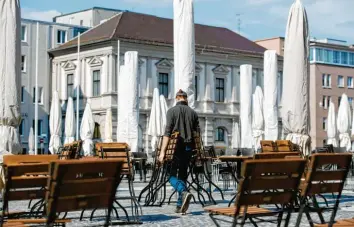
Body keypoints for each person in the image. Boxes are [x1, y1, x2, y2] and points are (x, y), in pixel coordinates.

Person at [158, 89, 200, 214]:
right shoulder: (193, 113)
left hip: (174, 149)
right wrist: (197, 152)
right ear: (186, 99)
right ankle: (179, 204)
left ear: (177, 98)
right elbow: (197, 135)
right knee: (183, 174)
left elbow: (167, 133)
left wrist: (162, 152)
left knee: (168, 173)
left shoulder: (171, 111)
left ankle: (182, 191)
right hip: (188, 149)